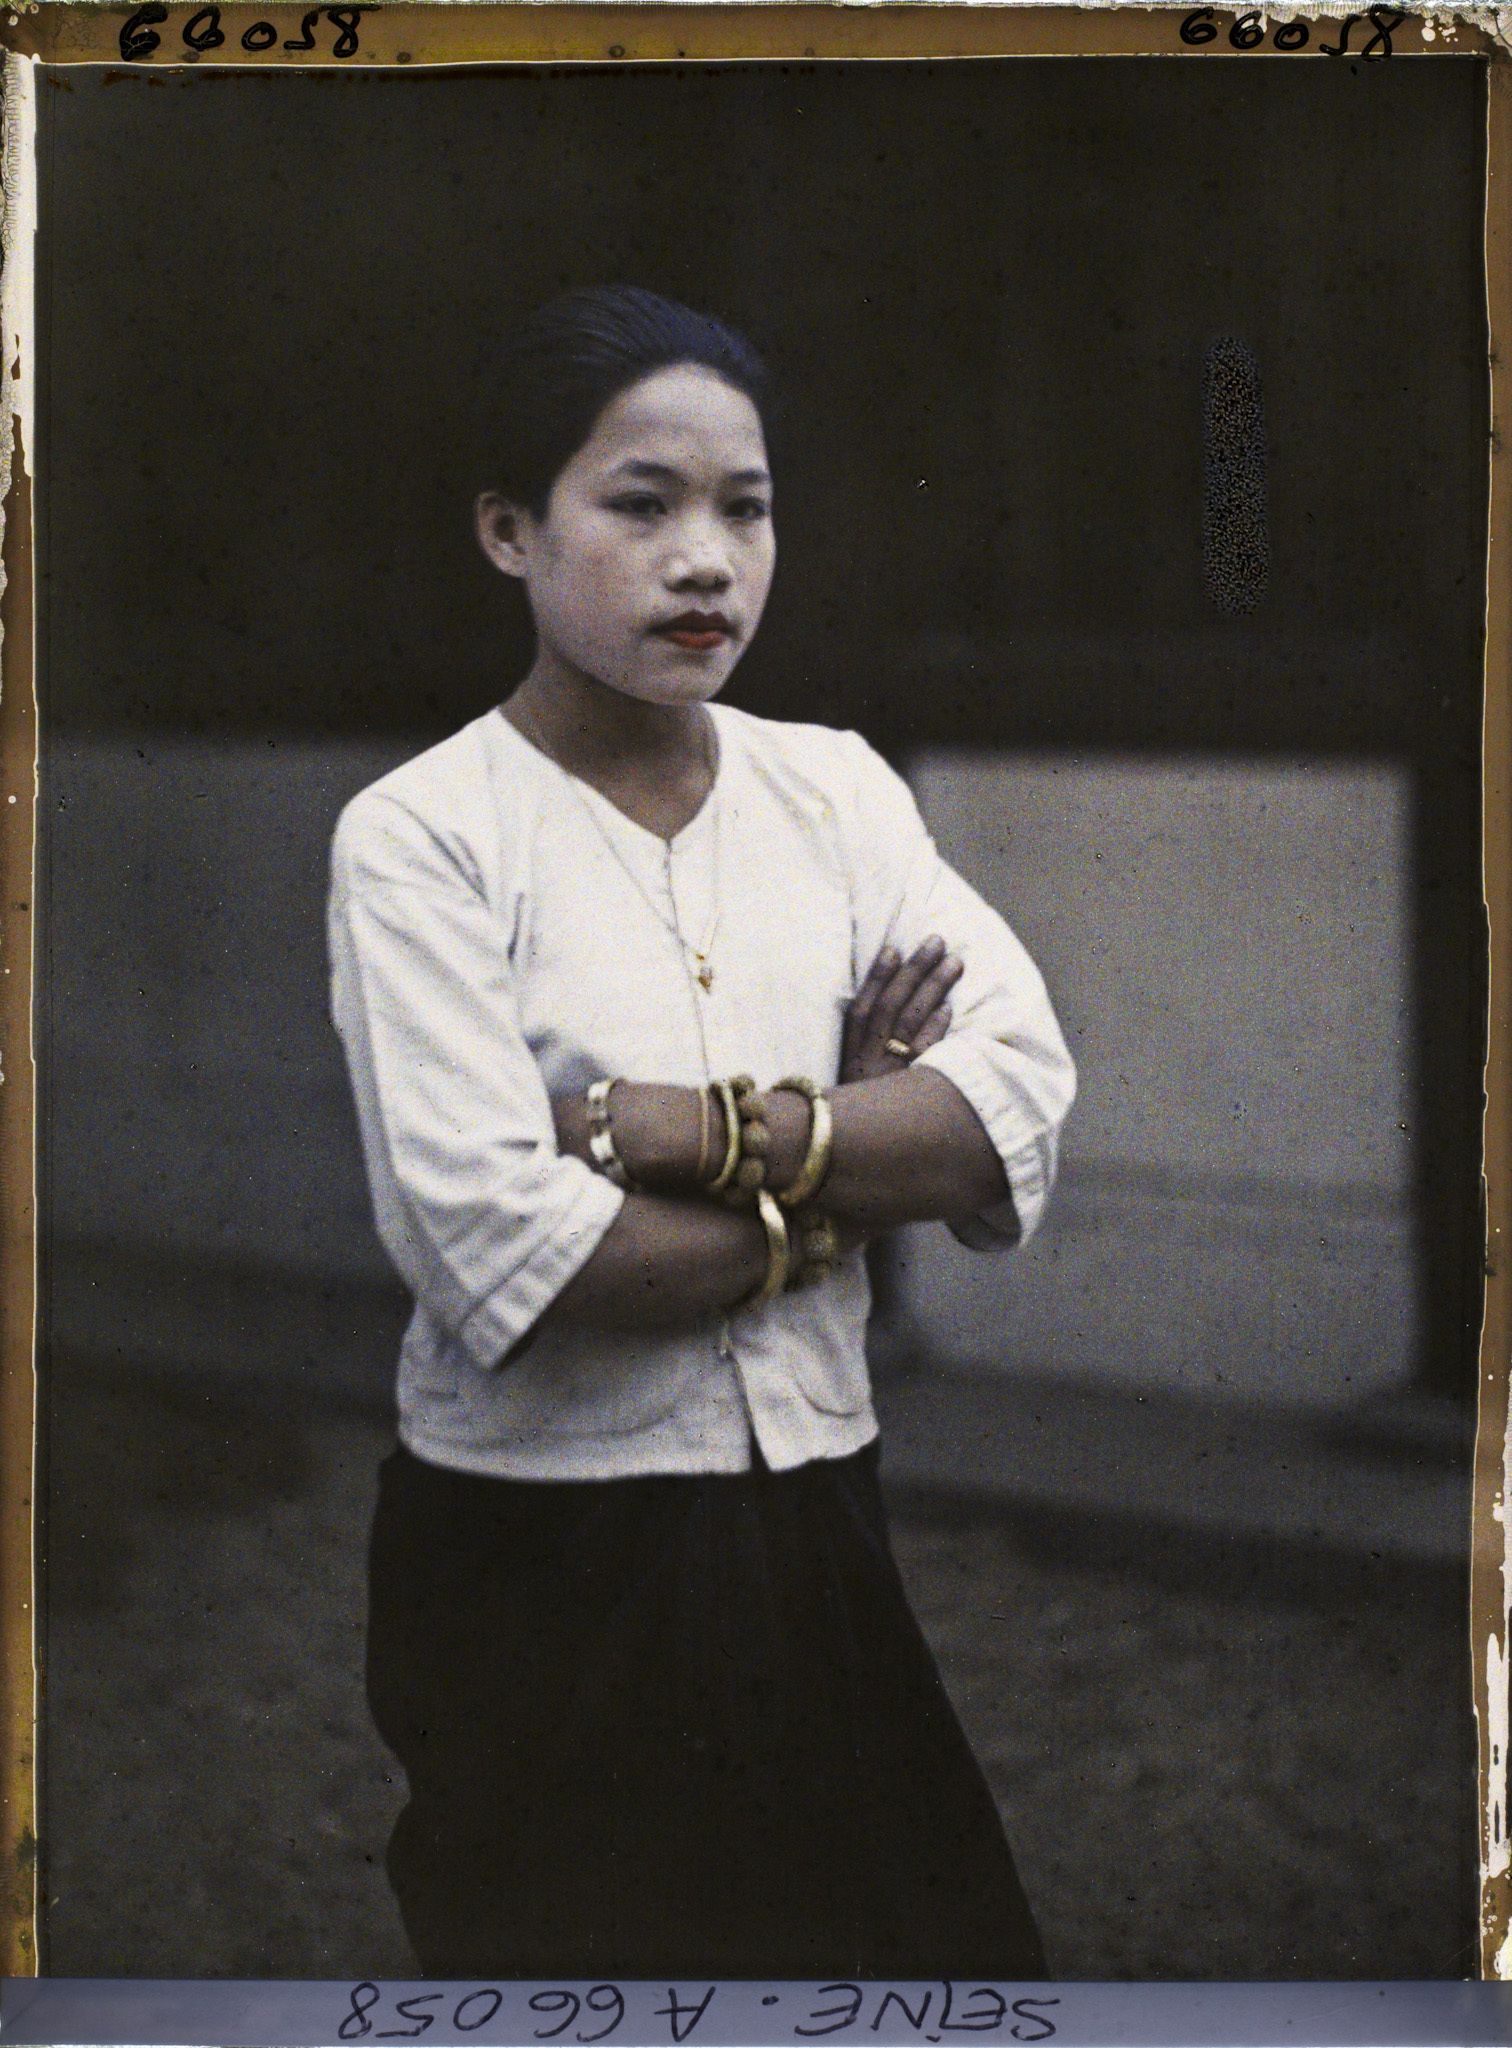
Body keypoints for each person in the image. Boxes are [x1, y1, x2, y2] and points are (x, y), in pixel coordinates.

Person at [327, 286, 1076, 1981]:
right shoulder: (423, 838)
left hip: (814, 1511)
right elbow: (516, 1248)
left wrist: (683, 1129)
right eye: (641, 504)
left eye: (746, 508)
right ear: (510, 531)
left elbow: (1008, 1102)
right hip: (543, 1551)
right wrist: (844, 1160)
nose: (706, 562)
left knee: (926, 1976)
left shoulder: (837, 792)